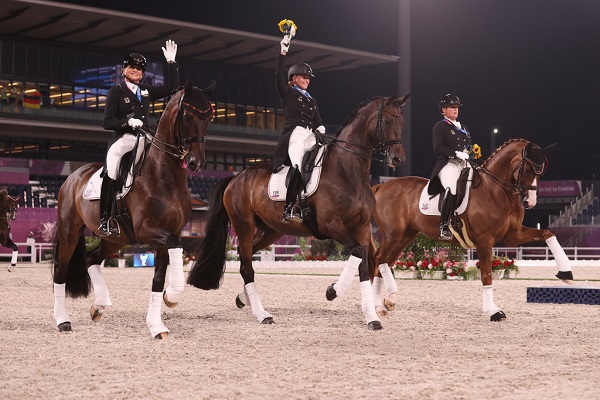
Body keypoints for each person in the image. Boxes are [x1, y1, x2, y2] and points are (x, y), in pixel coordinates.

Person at [100, 40, 180, 236]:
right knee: (112, 168)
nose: (135, 70)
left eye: (139, 69)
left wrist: (172, 64)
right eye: (132, 67)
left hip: (146, 137)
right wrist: (128, 122)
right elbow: (107, 122)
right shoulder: (115, 92)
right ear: (124, 70)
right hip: (123, 139)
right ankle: (104, 218)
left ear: (143, 73)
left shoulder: (145, 92)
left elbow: (173, 89)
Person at [274, 26, 325, 223]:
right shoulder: (287, 93)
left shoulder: (312, 100)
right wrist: (283, 52)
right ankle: (289, 208)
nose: (307, 80)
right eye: (304, 77)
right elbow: (278, 75)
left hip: (310, 135)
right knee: (298, 164)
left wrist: (321, 129)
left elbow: (318, 119)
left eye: (309, 78)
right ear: (294, 79)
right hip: (294, 136)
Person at [429, 94, 473, 241]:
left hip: (464, 164)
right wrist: (456, 154)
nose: (456, 110)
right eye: (452, 107)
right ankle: (444, 225)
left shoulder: (464, 127)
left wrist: (472, 152)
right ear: (444, 110)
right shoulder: (440, 126)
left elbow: (468, 147)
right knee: (452, 187)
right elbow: (438, 148)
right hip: (448, 164)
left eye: (457, 107)